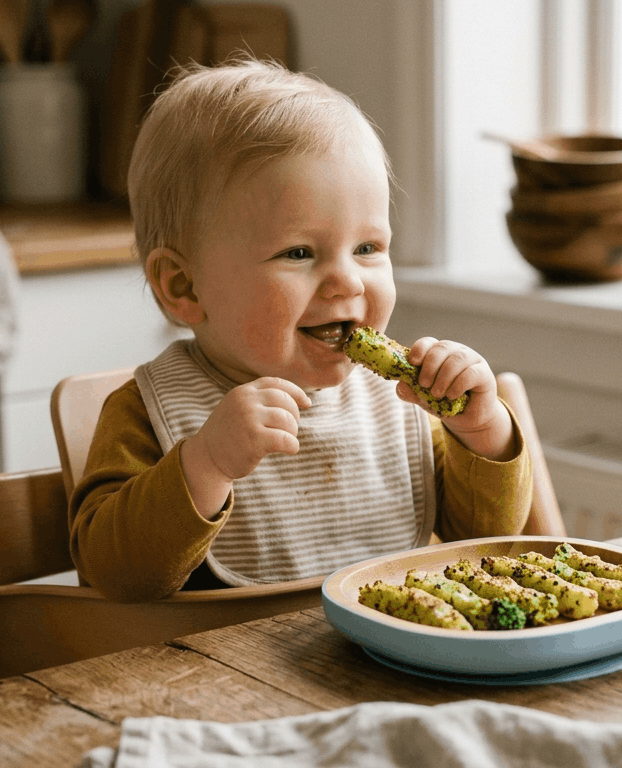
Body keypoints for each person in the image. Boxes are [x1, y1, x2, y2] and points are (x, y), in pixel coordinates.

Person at [69, 59, 532, 602]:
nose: (347, 281)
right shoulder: (146, 412)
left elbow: (485, 541)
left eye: (367, 248)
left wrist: (482, 432)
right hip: (226, 655)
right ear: (184, 287)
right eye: (298, 253)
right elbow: (113, 575)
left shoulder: (400, 404)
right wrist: (206, 465)